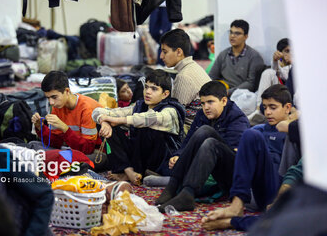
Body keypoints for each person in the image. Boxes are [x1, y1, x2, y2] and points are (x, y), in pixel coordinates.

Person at [201, 84, 293, 231]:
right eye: (265, 107)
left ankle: (235, 212)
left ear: (288, 108)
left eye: (273, 107)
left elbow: (294, 172)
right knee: (250, 134)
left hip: (280, 191)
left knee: (251, 134)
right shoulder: (258, 130)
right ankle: (236, 204)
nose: (267, 112)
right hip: (255, 192)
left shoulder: (293, 133)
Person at [156, 81, 250, 212]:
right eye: (202, 103)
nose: (206, 107)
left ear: (223, 101)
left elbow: (234, 154)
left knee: (208, 137)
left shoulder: (237, 119)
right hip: (205, 166)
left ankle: (183, 191)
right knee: (204, 136)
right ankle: (174, 187)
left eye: (210, 102)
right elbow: (189, 141)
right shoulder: (202, 115)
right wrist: (178, 155)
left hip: (230, 175)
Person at [92, 69, 185, 185]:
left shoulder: (171, 110)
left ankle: (147, 173)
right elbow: (97, 112)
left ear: (165, 94)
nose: (148, 92)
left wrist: (117, 120)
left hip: (162, 161)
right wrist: (104, 121)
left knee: (147, 127)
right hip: (139, 157)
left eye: (154, 89)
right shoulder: (140, 106)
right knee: (106, 124)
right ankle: (128, 170)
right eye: (146, 87)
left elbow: (147, 119)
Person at [31, 70, 102, 155]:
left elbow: (88, 149)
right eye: (48, 98)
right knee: (33, 146)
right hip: (74, 148)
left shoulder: (86, 108)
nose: (51, 102)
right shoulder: (57, 107)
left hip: (97, 152)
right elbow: (56, 143)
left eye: (54, 97)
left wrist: (64, 128)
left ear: (67, 91)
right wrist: (41, 128)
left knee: (61, 159)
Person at [160, 28, 211, 128]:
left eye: (165, 52)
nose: (161, 56)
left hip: (192, 128)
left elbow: (175, 114)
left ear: (179, 52)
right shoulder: (193, 66)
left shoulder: (184, 76)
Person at [209, 19, 265, 96]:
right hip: (222, 94)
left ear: (246, 36)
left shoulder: (254, 57)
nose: (232, 36)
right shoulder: (223, 54)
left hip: (242, 96)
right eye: (231, 32)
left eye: (237, 33)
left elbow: (251, 84)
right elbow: (211, 76)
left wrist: (229, 92)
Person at [256, 38, 292, 106]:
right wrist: (276, 60)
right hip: (277, 89)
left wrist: (291, 62)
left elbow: (286, 77)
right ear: (279, 53)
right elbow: (275, 70)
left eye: (292, 51)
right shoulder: (279, 60)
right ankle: (260, 106)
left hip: (290, 92)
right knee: (268, 72)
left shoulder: (297, 63)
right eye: (287, 51)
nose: (290, 53)